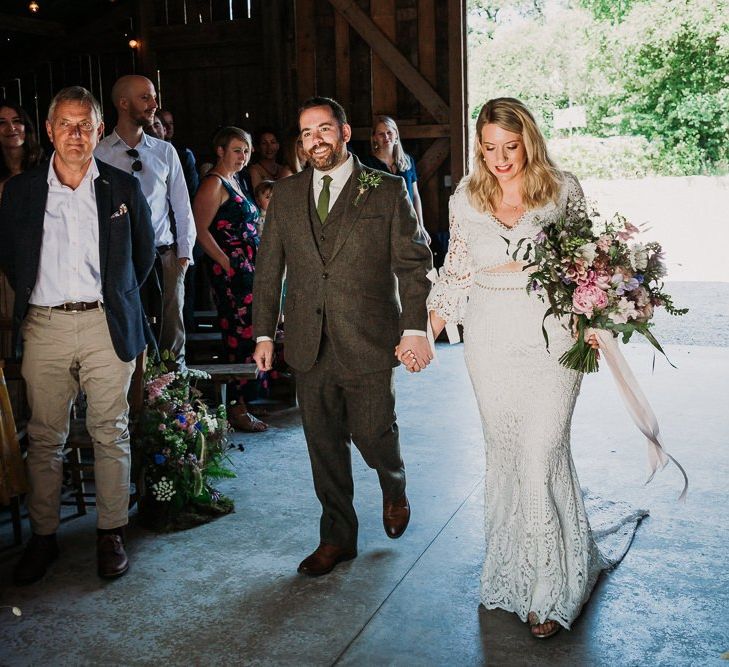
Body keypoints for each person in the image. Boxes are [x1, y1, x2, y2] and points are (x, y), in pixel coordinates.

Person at [424, 97, 647, 638]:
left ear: (528, 140)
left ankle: (553, 590)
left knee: (542, 450)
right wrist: (421, 334)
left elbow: (592, 263)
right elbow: (455, 268)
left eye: (511, 145)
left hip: (553, 336)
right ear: (479, 146)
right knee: (506, 454)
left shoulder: (562, 188)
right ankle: (514, 573)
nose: (501, 158)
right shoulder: (465, 196)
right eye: (490, 147)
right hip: (490, 337)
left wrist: (599, 318)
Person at [252, 97, 433, 577]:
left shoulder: (386, 189)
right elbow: (268, 269)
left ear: (345, 132)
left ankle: (393, 483)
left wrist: (415, 327)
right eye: (307, 132)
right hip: (309, 341)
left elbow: (414, 265)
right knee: (324, 445)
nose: (316, 139)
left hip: (370, 337)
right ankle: (336, 538)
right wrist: (264, 333)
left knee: (373, 433)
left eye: (325, 129)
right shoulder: (287, 194)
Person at [0, 86, 155, 584]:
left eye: (84, 124)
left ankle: (110, 532)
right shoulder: (21, 191)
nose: (74, 134)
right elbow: (11, 258)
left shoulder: (121, 188)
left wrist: (116, 299)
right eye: (64, 124)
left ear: (97, 130)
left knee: (110, 430)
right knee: (45, 437)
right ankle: (44, 537)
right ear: (48, 130)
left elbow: (142, 256)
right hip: (44, 324)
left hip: (104, 322)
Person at [95, 75, 196, 366]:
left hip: (164, 256)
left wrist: (184, 255)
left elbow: (181, 205)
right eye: (145, 97)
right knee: (127, 330)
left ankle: (177, 403)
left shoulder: (165, 152)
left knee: (171, 333)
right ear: (123, 103)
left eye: (153, 97)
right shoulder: (99, 154)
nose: (154, 104)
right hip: (119, 259)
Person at [192, 127, 268, 432]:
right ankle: (236, 408)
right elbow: (199, 229)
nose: (243, 156)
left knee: (253, 333)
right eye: (237, 150)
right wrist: (227, 262)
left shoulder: (238, 181)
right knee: (239, 337)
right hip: (232, 273)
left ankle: (245, 402)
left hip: (249, 268)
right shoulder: (214, 183)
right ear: (220, 151)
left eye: (247, 150)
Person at [362, 116, 428, 242]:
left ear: (396, 134)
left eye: (389, 132)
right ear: (374, 138)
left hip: (408, 223)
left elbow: (415, 195)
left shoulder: (408, 162)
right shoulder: (367, 165)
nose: (386, 137)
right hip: (381, 226)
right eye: (381, 134)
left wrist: (421, 226)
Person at [0, 100, 44, 199]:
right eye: (2, 123)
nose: (11, 128)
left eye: (16, 121)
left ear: (26, 127)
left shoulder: (45, 166)